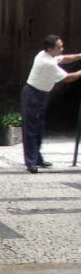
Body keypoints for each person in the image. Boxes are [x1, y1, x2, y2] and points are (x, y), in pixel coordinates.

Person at [21, 35, 81, 173]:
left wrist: (79, 55)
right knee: (31, 129)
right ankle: (31, 162)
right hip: (33, 94)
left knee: (39, 128)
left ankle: (37, 158)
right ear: (50, 49)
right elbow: (67, 78)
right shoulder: (46, 63)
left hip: (41, 94)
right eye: (59, 47)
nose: (62, 49)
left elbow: (64, 58)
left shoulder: (47, 55)